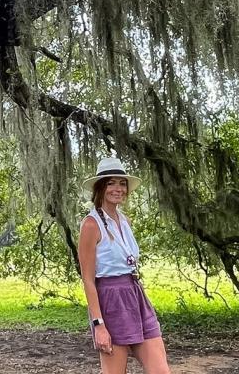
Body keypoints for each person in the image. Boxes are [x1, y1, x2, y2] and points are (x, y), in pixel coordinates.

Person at [79, 157, 171, 374]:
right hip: (111, 300)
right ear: (100, 188)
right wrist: (98, 325)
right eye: (111, 183)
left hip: (136, 295)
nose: (118, 189)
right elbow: (88, 280)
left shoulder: (125, 220)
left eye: (122, 183)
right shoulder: (91, 225)